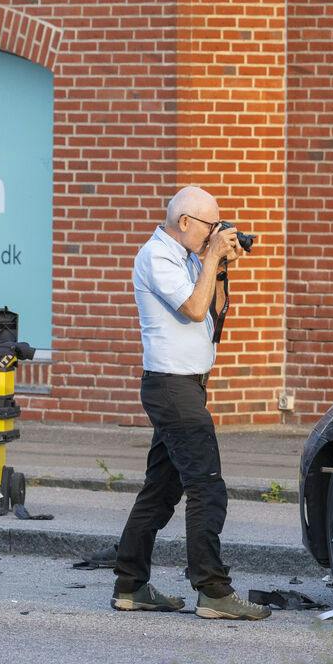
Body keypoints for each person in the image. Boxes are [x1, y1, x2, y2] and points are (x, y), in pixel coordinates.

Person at [111, 186, 269, 621]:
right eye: (209, 225)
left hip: (188, 386)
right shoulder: (157, 256)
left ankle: (130, 585)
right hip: (171, 387)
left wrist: (218, 267)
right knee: (206, 486)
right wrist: (212, 255)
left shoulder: (186, 256)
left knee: (161, 491)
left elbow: (213, 316)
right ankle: (213, 590)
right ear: (184, 221)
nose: (213, 233)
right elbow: (194, 309)